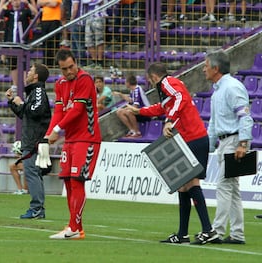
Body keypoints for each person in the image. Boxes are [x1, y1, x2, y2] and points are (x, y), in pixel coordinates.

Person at [127, 62, 218, 245]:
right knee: (183, 186)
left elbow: (180, 97)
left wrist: (169, 121)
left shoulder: (168, 82)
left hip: (194, 138)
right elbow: (163, 107)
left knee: (191, 182)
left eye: (150, 80)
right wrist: (140, 111)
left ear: (153, 77)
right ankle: (182, 234)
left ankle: (209, 230)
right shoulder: (167, 89)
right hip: (191, 138)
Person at [46, 49, 101, 239]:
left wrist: (57, 129)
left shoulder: (85, 79)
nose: (69, 71)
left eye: (71, 67)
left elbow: (77, 110)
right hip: (70, 139)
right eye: (64, 69)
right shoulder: (60, 84)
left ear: (76, 63)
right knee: (69, 181)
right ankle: (76, 228)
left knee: (77, 180)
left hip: (87, 137)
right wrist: (49, 134)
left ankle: (74, 227)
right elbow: (59, 112)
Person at [203, 50, 253, 244]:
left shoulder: (232, 87)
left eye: (206, 65)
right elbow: (214, 124)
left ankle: (216, 230)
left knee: (224, 186)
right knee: (232, 189)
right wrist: (207, 147)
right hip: (225, 142)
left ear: (216, 68)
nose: (204, 69)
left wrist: (243, 143)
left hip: (233, 141)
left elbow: (245, 116)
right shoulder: (218, 91)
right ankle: (237, 234)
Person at [5, 62, 51, 219]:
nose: (28, 72)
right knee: (33, 173)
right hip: (32, 140)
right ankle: (38, 208)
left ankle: (37, 208)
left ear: (36, 75)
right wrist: (12, 102)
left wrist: (21, 103)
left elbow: (36, 111)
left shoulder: (38, 91)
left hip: (34, 141)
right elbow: (27, 114)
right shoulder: (34, 92)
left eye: (31, 70)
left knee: (32, 173)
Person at [0, 0, 38, 88]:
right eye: (14, 0)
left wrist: (28, 3)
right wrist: (5, 2)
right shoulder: (9, 12)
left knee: (24, 65)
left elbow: (35, 13)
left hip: (22, 42)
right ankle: (15, 85)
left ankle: (25, 84)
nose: (16, 2)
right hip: (11, 42)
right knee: (13, 64)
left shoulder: (25, 11)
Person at [37, 0, 62, 66]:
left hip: (55, 19)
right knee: (45, 42)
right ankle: (46, 62)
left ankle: (55, 62)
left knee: (54, 42)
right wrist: (48, 3)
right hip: (44, 20)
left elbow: (54, 4)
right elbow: (38, 3)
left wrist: (44, 3)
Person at [84, 0, 107, 69]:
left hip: (99, 16)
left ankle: (100, 62)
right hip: (88, 16)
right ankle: (93, 61)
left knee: (99, 40)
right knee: (88, 40)